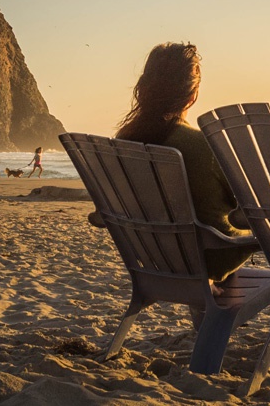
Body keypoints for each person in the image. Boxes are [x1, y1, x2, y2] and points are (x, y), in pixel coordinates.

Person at [89, 42, 253, 283]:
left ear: (144, 89)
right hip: (213, 258)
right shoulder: (203, 145)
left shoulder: (125, 143)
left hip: (154, 257)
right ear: (193, 94)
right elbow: (242, 206)